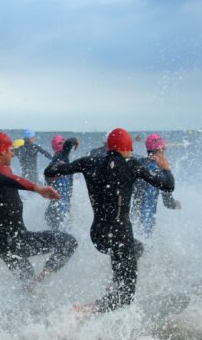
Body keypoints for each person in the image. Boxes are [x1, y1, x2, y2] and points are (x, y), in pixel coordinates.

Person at [44, 128, 174, 312]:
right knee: (126, 296)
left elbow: (50, 170)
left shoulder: (89, 162)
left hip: (99, 236)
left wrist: (63, 154)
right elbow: (168, 186)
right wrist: (165, 168)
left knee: (137, 248)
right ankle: (84, 310)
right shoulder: (132, 165)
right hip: (120, 235)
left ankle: (114, 285)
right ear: (128, 147)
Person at [0, 132, 77, 289]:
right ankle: (38, 283)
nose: (13, 154)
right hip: (17, 240)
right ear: (2, 151)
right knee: (69, 242)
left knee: (26, 281)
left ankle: (28, 298)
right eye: (10, 150)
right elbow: (10, 179)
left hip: (1, 244)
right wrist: (38, 188)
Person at [131, 134, 182, 236]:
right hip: (147, 221)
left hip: (133, 219)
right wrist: (176, 205)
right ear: (160, 150)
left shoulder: (138, 164)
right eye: (163, 149)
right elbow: (168, 202)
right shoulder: (160, 171)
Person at [44, 137, 80, 231]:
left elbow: (47, 183)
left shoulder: (52, 163)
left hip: (52, 209)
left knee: (55, 238)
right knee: (65, 237)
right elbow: (69, 142)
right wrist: (76, 140)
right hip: (61, 210)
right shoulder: (63, 156)